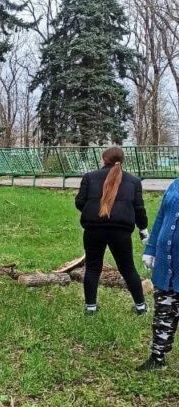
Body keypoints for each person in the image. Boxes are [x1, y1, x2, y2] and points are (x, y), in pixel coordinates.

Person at [74, 146, 148, 315]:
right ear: (121, 161)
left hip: (94, 229)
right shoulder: (134, 181)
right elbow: (139, 209)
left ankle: (91, 308)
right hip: (121, 231)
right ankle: (141, 307)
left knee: (93, 267)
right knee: (128, 268)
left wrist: (92, 212)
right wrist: (143, 229)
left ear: (104, 159)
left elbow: (79, 202)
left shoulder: (89, 177)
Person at [139, 179, 179, 370]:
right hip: (167, 266)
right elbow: (162, 218)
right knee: (163, 313)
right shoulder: (174, 185)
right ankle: (157, 358)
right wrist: (152, 248)